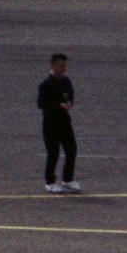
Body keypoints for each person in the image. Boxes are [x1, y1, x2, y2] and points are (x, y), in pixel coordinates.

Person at [38, 53, 79, 193]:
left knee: (71, 149)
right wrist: (58, 105)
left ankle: (67, 179)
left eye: (65, 66)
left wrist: (69, 103)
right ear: (53, 65)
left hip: (64, 121)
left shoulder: (66, 81)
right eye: (61, 65)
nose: (63, 68)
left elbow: (70, 95)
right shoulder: (46, 84)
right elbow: (41, 104)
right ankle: (50, 182)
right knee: (53, 153)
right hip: (50, 123)